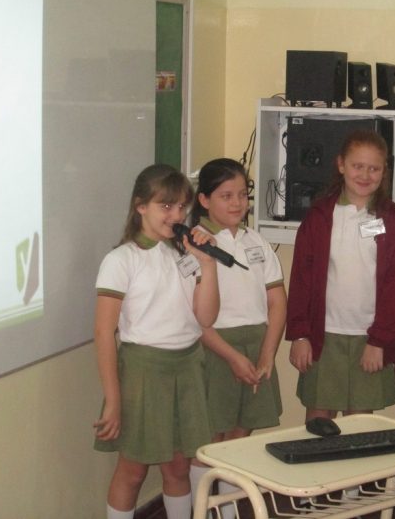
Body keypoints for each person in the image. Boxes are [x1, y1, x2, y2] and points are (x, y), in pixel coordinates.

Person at [93, 164, 219, 519]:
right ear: (141, 206)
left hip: (187, 366)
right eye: (166, 206)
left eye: (181, 206)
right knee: (133, 471)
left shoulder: (184, 254)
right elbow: (104, 333)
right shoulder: (121, 260)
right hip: (144, 370)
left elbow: (206, 317)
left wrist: (208, 265)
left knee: (178, 466)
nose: (176, 215)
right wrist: (113, 400)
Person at [286, 129, 395, 422]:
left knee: (360, 423)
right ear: (341, 164)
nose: (365, 175)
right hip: (323, 336)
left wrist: (379, 341)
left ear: (384, 171)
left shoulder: (390, 220)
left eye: (374, 168)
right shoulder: (319, 217)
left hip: (368, 337)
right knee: (318, 420)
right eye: (358, 166)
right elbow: (302, 279)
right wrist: (300, 334)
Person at [188, 158, 286, 516]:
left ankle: (228, 513)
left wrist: (267, 354)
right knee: (210, 443)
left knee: (239, 439)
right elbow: (193, 317)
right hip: (215, 348)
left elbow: (277, 302)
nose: (237, 203)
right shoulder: (192, 245)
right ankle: (202, 511)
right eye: (226, 195)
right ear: (204, 200)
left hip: (257, 345)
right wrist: (231, 357)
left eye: (243, 195)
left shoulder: (256, 241)